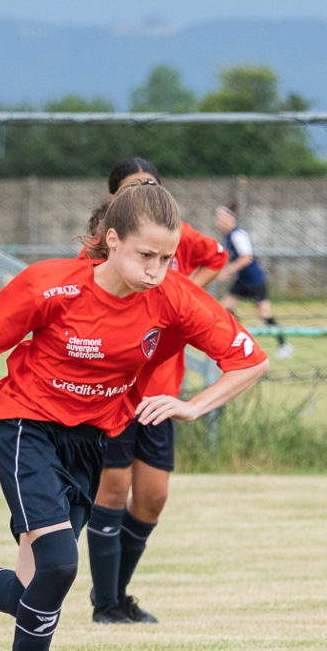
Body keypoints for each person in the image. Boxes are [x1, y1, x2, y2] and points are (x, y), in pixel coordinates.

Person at [0, 182, 269, 651]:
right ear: (111, 241)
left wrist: (191, 406)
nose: (157, 270)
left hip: (91, 442)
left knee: (33, 589)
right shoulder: (51, 287)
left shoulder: (173, 297)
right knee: (63, 565)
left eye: (167, 258)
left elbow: (250, 361)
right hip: (26, 427)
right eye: (145, 255)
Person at [85, 158, 228, 624]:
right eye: (133, 188)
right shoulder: (106, 250)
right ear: (113, 203)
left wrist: (181, 291)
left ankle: (118, 593)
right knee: (113, 488)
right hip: (115, 393)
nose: (144, 194)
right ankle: (104, 603)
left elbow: (217, 256)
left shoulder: (173, 234)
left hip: (160, 395)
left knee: (152, 497)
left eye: (151, 186)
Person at [215, 203, 278, 330]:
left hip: (254, 279)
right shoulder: (227, 236)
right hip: (242, 280)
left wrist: (227, 271)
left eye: (220, 218)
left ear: (229, 218)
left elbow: (246, 258)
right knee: (224, 308)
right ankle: (238, 331)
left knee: (264, 313)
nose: (218, 222)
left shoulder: (238, 234)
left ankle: (283, 345)